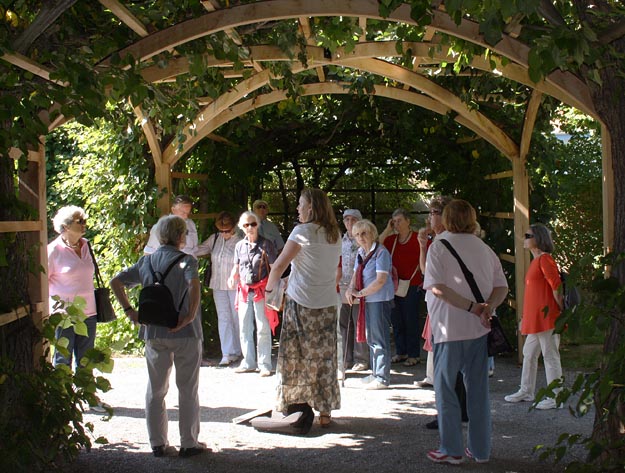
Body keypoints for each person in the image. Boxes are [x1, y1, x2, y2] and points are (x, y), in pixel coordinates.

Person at [110, 215, 206, 458]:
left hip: (153, 331)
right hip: (185, 331)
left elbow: (115, 282)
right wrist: (189, 315)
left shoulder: (147, 262)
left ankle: (157, 443)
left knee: (155, 389)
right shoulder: (187, 261)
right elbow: (193, 286)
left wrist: (129, 311)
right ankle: (188, 443)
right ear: (181, 235)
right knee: (187, 388)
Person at [423, 199, 508, 465]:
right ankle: (481, 450)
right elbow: (501, 287)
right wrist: (487, 308)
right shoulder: (483, 248)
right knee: (478, 392)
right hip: (478, 330)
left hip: (449, 329)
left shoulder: (439, 246)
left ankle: (451, 448)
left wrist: (473, 307)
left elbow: (437, 287)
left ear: (446, 219)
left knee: (446, 390)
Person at [265, 188, 342, 428]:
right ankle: (325, 410)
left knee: (295, 357)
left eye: (300, 204)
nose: (297, 208)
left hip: (302, 304)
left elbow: (278, 266)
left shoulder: (302, 232)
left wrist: (269, 292)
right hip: (328, 303)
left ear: (311, 207)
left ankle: (294, 405)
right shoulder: (335, 234)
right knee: (324, 357)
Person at [504, 223, 563, 410]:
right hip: (537, 318)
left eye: (528, 235)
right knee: (529, 354)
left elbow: (556, 286)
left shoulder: (545, 259)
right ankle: (527, 390)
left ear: (538, 238)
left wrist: (562, 313)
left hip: (547, 317)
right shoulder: (536, 261)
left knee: (550, 355)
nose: (525, 238)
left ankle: (556, 397)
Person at [345, 219, 395, 389]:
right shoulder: (361, 252)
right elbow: (355, 274)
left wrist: (359, 293)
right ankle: (375, 373)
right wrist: (350, 289)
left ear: (372, 233)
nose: (361, 237)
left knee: (379, 338)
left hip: (379, 300)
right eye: (357, 235)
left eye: (364, 233)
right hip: (368, 299)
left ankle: (382, 377)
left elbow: (381, 280)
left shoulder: (381, 253)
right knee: (372, 337)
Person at [227, 211, 277, 377]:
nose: (250, 227)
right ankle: (248, 362)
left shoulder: (267, 244)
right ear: (242, 227)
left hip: (262, 291)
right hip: (244, 291)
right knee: (244, 328)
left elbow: (274, 267)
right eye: (246, 225)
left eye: (253, 224)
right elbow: (236, 266)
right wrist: (232, 277)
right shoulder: (239, 246)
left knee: (263, 327)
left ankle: (264, 364)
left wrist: (273, 287)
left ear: (258, 225)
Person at [48, 205, 97, 369]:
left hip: (89, 313)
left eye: (85, 220)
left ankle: (85, 394)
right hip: (64, 316)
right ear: (66, 226)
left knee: (86, 362)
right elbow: (42, 282)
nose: (84, 224)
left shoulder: (86, 246)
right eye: (80, 221)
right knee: (62, 361)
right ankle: (61, 394)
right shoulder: (53, 251)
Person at [197, 211, 242, 366]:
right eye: (221, 231)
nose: (224, 234)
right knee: (223, 317)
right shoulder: (214, 238)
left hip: (236, 285)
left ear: (234, 227)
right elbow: (199, 250)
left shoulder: (240, 240)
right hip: (218, 284)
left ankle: (240, 350)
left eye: (227, 231)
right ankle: (227, 352)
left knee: (237, 317)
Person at [380, 208, 423, 366]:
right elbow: (375, 245)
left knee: (410, 318)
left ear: (408, 221)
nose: (397, 224)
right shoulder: (392, 240)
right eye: (394, 221)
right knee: (396, 319)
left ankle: (414, 354)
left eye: (399, 221)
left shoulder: (418, 239)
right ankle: (401, 351)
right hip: (394, 285)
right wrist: (387, 229)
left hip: (412, 284)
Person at [338, 208, 369, 372]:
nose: (349, 223)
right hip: (342, 287)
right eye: (346, 219)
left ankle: (362, 359)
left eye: (353, 219)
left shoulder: (363, 240)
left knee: (359, 323)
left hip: (358, 288)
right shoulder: (339, 240)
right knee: (344, 324)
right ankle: (345, 358)